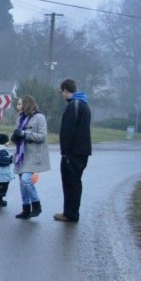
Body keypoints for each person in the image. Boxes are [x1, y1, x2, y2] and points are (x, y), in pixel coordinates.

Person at [55, 78, 92, 223]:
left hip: (73, 152)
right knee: (75, 182)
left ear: (65, 90)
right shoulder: (83, 103)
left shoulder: (74, 106)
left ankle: (70, 214)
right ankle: (70, 212)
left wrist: (65, 152)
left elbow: (68, 131)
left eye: (62, 92)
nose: (62, 95)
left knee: (71, 183)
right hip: (82, 151)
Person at [11, 95, 51, 219]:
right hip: (20, 154)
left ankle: (36, 205)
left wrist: (24, 134)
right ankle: (26, 209)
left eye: (19, 104)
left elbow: (42, 137)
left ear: (26, 105)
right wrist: (15, 137)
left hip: (32, 155)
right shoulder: (19, 118)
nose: (17, 106)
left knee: (26, 180)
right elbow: (18, 135)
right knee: (21, 184)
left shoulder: (39, 118)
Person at [0, 132, 14, 207]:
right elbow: (1, 161)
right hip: (2, 173)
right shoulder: (2, 151)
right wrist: (11, 159)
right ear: (3, 142)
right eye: (7, 141)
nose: (9, 142)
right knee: (2, 187)